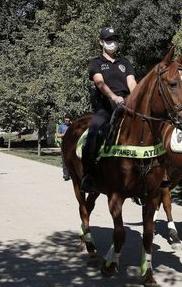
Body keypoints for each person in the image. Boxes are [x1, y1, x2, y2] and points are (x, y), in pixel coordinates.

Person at [80, 27, 136, 191]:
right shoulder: (96, 63)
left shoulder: (124, 62)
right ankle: (88, 175)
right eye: (108, 40)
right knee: (94, 132)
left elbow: (132, 83)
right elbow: (100, 83)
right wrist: (113, 97)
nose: (112, 43)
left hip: (126, 105)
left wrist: (135, 98)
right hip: (105, 106)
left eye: (114, 40)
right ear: (101, 42)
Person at [55, 116, 72, 181]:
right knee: (64, 159)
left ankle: (71, 174)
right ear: (64, 120)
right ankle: (66, 174)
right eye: (66, 120)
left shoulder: (72, 125)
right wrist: (64, 134)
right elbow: (57, 135)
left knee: (71, 159)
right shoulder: (61, 126)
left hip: (72, 144)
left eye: (68, 120)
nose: (67, 121)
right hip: (64, 144)